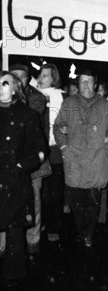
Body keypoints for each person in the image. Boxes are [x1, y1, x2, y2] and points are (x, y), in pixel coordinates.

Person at [53, 69, 108, 248]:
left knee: (92, 202)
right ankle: (80, 230)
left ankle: (88, 234)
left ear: (95, 84)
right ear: (78, 84)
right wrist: (64, 147)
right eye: (82, 81)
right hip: (74, 160)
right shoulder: (69, 104)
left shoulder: (106, 106)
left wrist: (107, 149)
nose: (86, 85)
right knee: (76, 202)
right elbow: (58, 126)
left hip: (96, 160)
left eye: (89, 81)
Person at [0, 71, 46, 285]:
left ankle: (14, 275)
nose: (0, 88)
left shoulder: (27, 114)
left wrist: (22, 164)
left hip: (15, 181)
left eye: (5, 83)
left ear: (14, 88)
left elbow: (39, 148)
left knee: (14, 231)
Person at [9, 63, 49, 254]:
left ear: (27, 79)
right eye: (13, 76)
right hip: (8, 162)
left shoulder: (36, 98)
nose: (17, 81)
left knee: (34, 201)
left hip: (31, 162)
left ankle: (33, 239)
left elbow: (27, 119)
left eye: (21, 77)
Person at [37, 63, 66, 243]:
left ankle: (53, 226)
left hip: (55, 151)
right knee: (40, 191)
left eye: (45, 76)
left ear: (53, 78)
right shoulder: (32, 95)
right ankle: (40, 223)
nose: (41, 79)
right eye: (40, 75)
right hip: (38, 151)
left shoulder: (61, 98)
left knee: (54, 191)